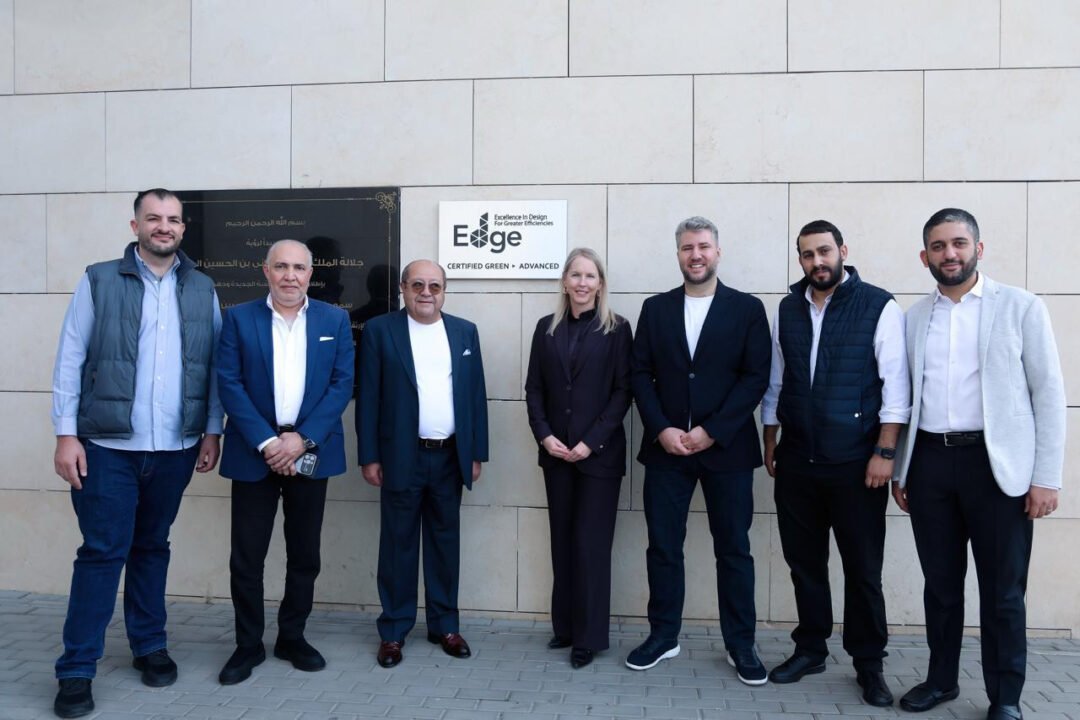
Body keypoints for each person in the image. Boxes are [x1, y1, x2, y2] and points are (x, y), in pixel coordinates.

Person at [50, 188, 223, 718]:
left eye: (172, 219)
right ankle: (77, 669)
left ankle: (149, 645)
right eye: (153, 218)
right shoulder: (99, 279)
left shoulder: (202, 287)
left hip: (175, 447)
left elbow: (214, 365)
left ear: (183, 228)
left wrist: (212, 430)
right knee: (103, 552)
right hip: (107, 448)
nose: (163, 226)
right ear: (136, 226)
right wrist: (65, 434)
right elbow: (70, 356)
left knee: (151, 547)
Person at [892, 209, 1066, 720]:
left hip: (997, 468)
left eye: (959, 243)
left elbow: (1048, 394)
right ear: (924, 256)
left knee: (1003, 591)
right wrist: (902, 469)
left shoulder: (1020, 307)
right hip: (929, 464)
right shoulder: (913, 318)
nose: (950, 254)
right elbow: (904, 396)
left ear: (978, 249)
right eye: (938, 246)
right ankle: (941, 680)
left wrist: (1046, 477)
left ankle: (1005, 697)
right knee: (941, 586)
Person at [761, 220, 910, 706]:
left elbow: (896, 388)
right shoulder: (788, 308)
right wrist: (770, 437)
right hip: (798, 459)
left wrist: (884, 453)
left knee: (863, 569)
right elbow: (777, 380)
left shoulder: (878, 305)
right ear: (800, 260)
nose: (817, 261)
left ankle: (869, 663)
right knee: (804, 563)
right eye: (808, 254)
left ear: (842, 250)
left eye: (824, 251)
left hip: (856, 463)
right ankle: (811, 649)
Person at [627, 216, 771, 685]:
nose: (696, 255)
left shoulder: (747, 309)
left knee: (734, 550)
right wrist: (661, 428)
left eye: (704, 246)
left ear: (717, 252)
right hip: (667, 450)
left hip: (727, 450)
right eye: (688, 247)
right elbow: (639, 374)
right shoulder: (656, 309)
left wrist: (712, 430)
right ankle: (663, 635)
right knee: (663, 547)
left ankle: (740, 643)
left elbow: (755, 377)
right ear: (678, 254)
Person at [215, 239, 354, 685]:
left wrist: (301, 440)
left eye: (298, 268)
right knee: (246, 557)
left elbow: (342, 384)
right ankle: (248, 644)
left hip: (311, 451)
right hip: (254, 452)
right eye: (281, 267)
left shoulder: (335, 320)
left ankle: (292, 637)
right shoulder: (238, 318)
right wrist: (268, 442)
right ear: (266, 271)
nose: (290, 276)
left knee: (305, 554)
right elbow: (229, 383)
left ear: (311, 274)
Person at [357, 259, 489, 668]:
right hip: (401, 456)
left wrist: (475, 452)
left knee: (444, 544)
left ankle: (444, 625)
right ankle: (394, 631)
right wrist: (369, 456)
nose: (426, 292)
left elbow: (475, 395)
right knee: (397, 546)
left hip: (450, 456)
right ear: (403, 288)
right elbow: (368, 398)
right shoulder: (381, 330)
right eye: (417, 285)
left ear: (444, 290)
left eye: (434, 285)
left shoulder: (464, 332)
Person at [524, 248, 633, 669]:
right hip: (556, 454)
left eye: (590, 276)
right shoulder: (546, 328)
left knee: (591, 546)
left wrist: (591, 441)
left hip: (598, 458)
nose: (582, 283)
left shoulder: (617, 329)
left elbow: (623, 392)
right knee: (563, 542)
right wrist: (545, 436)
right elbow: (534, 389)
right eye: (576, 275)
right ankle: (566, 627)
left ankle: (589, 637)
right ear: (564, 282)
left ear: (600, 284)